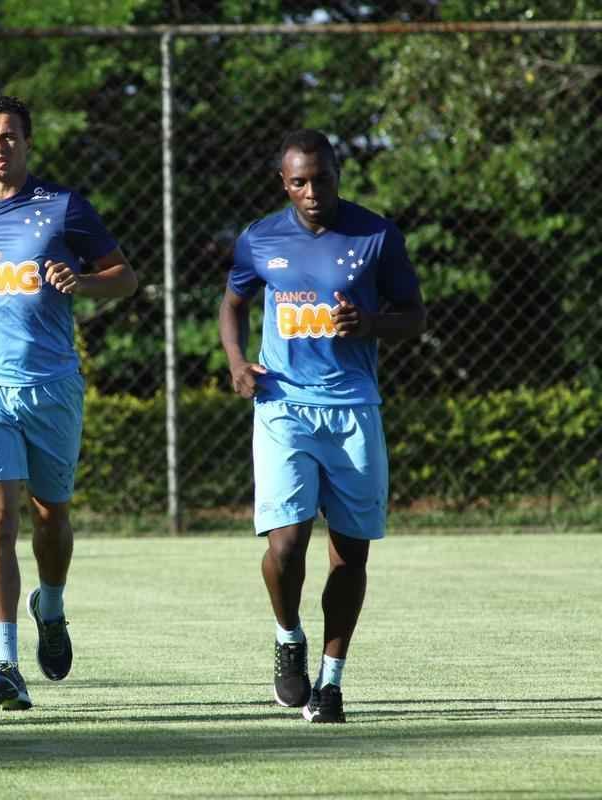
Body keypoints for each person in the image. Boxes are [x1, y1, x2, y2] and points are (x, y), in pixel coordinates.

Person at [0, 95, 137, 710]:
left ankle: (53, 604)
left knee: (51, 517)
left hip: (51, 384)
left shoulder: (64, 208)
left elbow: (125, 277)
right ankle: (4, 663)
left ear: (27, 143)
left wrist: (86, 283)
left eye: (9, 136)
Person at [219, 129, 426, 723]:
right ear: (283, 183)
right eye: (299, 181)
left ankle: (330, 685)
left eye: (322, 178)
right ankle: (289, 639)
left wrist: (371, 324)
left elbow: (412, 317)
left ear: (338, 175)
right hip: (283, 406)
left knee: (349, 553)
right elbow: (233, 302)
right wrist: (237, 363)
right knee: (285, 545)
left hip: (354, 409)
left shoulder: (377, 236)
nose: (312, 191)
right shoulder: (260, 238)